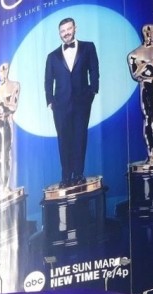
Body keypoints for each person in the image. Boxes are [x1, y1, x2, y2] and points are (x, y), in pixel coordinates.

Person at [43, 16, 100, 186]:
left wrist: (93, 90)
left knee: (80, 138)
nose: (66, 33)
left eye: (69, 29)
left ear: (75, 28)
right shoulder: (51, 56)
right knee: (64, 140)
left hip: (82, 101)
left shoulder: (88, 47)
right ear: (59, 34)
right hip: (60, 105)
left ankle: (78, 174)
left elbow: (94, 70)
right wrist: (50, 101)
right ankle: (66, 176)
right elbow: (48, 81)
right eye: (63, 31)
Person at [126, 23, 153, 168]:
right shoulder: (135, 54)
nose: (149, 34)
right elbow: (135, 74)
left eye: (151, 32)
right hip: (146, 86)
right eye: (147, 32)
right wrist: (148, 68)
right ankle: (151, 153)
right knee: (149, 119)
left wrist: (151, 68)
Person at [0, 62, 21, 197]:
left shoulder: (14, 85)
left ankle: (6, 186)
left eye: (4, 70)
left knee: (6, 155)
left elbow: (13, 106)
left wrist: (4, 105)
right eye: (0, 71)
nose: (2, 72)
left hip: (7, 123)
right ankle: (1, 187)